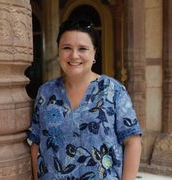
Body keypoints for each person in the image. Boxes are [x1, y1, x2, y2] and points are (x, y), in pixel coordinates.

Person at [27, 19, 142, 180]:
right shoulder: (45, 92)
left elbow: (133, 141)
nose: (74, 55)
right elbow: (36, 144)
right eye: (66, 48)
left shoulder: (113, 91)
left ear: (94, 52)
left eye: (82, 48)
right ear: (58, 51)